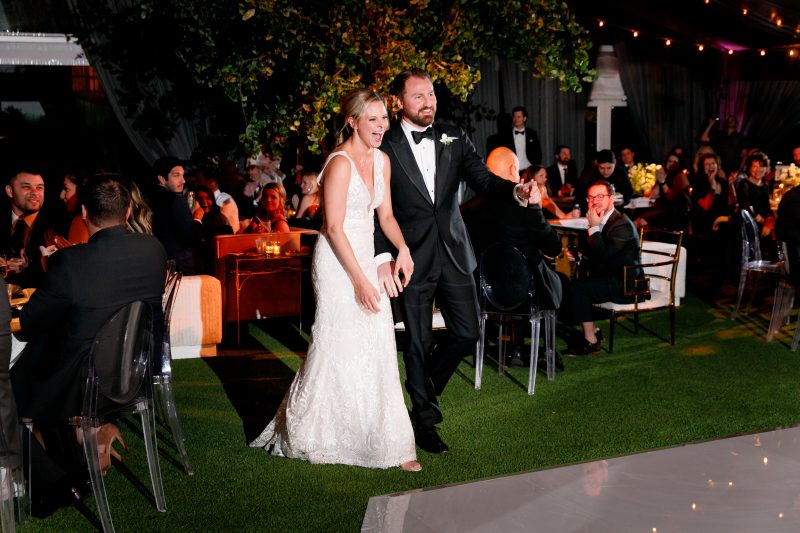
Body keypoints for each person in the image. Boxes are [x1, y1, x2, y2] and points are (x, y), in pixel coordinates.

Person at [249, 88, 420, 472]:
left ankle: (390, 442)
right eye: (373, 119)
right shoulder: (339, 163)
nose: (381, 126)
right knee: (337, 343)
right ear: (353, 122)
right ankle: (314, 433)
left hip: (365, 256)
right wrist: (359, 280)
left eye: (384, 118)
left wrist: (403, 249)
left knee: (377, 343)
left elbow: (386, 216)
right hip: (337, 264)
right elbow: (332, 227)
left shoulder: (382, 160)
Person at [375, 69, 534, 454]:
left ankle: (422, 393)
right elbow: (377, 208)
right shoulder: (385, 145)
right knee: (418, 342)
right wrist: (383, 255)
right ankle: (425, 422)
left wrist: (515, 190)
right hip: (410, 256)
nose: (428, 102)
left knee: (467, 333)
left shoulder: (454, 136)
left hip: (455, 252)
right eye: (418, 96)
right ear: (399, 102)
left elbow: (484, 180)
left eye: (430, 94)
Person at [10, 174, 166, 515]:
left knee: (7, 395)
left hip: (82, 387)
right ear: (127, 212)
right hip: (133, 376)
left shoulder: (72, 262)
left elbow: (30, 323)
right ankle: (74, 468)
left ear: (83, 213)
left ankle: (54, 483)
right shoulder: (154, 250)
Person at [464, 147, 563, 368]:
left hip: (484, 292)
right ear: (512, 170)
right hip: (525, 295)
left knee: (521, 273)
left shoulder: (468, 209)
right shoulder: (523, 207)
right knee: (555, 280)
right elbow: (554, 247)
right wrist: (535, 207)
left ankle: (517, 347)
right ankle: (545, 350)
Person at [564, 180, 642, 356]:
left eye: (600, 196)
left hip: (625, 283)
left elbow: (603, 255)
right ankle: (594, 331)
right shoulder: (601, 220)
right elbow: (594, 252)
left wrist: (593, 227)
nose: (595, 201)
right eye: (591, 197)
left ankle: (591, 341)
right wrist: (579, 255)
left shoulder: (621, 224)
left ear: (611, 198)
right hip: (608, 276)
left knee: (578, 288)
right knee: (573, 282)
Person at [151, 157, 203, 274]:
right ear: (162, 179)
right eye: (176, 175)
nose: (183, 181)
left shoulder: (149, 199)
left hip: (158, 264)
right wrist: (197, 217)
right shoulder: (175, 200)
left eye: (183, 175)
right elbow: (192, 237)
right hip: (181, 267)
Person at [2, 170, 53, 288]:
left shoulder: (58, 225)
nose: (35, 193)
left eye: (39, 188)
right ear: (10, 191)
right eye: (26, 187)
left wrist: (30, 268)